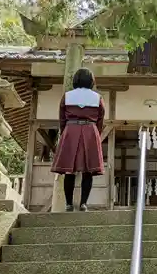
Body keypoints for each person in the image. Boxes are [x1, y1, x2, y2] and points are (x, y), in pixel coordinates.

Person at [51, 68, 105, 212]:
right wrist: (96, 135)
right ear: (91, 81)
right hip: (90, 130)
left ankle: (69, 204)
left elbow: (62, 118)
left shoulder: (67, 96)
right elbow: (100, 119)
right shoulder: (97, 97)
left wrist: (65, 134)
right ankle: (83, 204)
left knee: (70, 170)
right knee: (88, 170)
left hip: (71, 130)